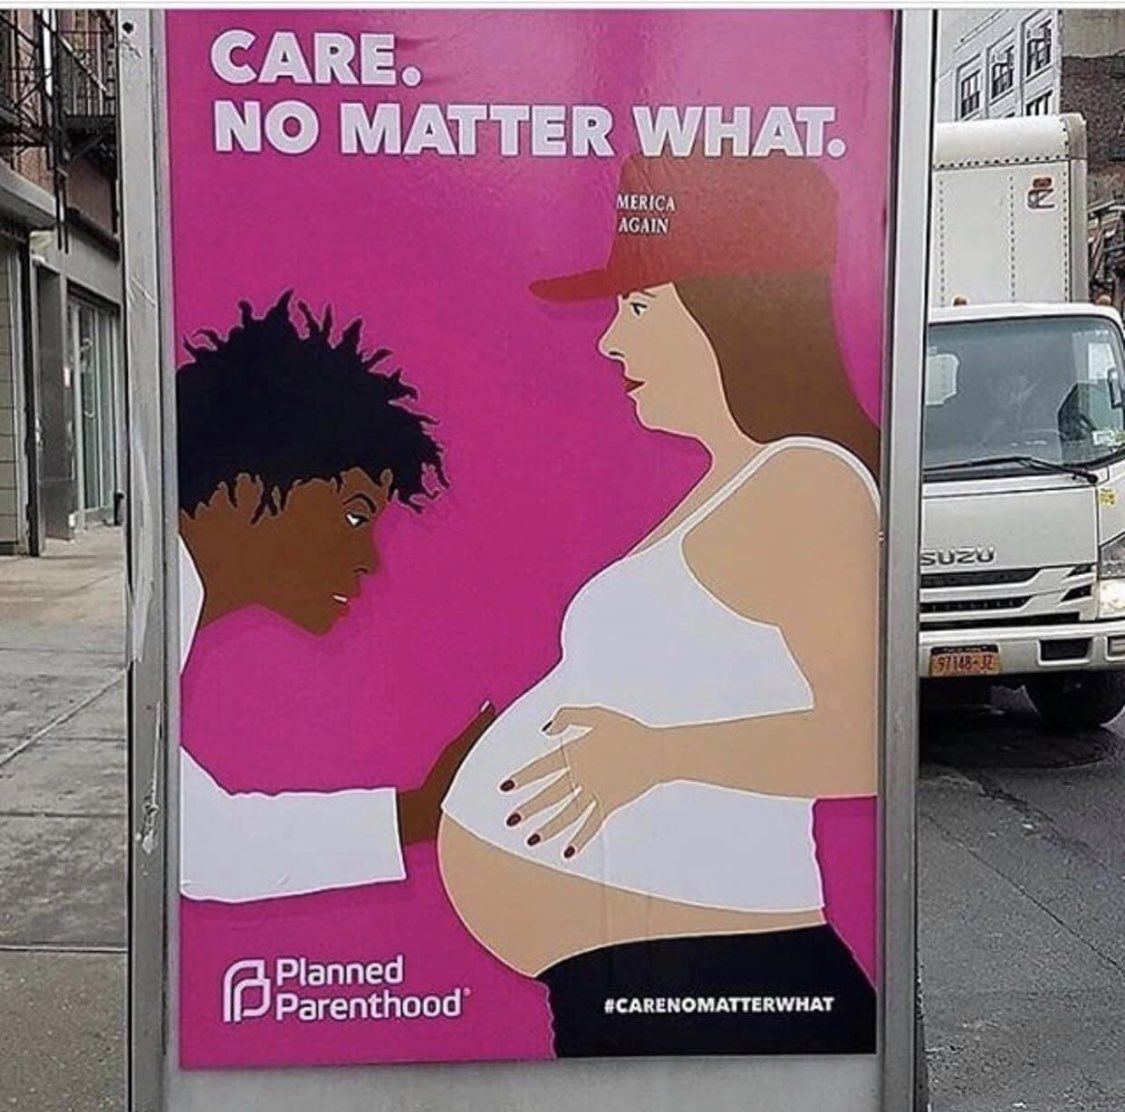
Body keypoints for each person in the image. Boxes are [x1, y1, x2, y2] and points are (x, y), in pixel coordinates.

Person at [439, 152, 879, 1057]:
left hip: (718, 973)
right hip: (661, 970)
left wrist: (659, 757)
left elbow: (863, 737)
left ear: (734, 313)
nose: (610, 341)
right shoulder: (738, 481)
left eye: (638, 308)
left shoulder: (806, 482)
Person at [178, 292, 493, 902]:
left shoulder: (174, 593)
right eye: (354, 516)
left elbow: (202, 845)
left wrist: (422, 810)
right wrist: (420, 812)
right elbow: (200, 849)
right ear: (245, 491)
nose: (369, 557)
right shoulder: (162, 605)